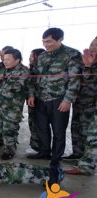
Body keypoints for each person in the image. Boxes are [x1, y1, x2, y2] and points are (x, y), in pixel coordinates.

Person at [27, 28, 83, 167]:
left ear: (60, 39)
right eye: (44, 42)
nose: (46, 45)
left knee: (58, 130)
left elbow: (75, 79)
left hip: (59, 100)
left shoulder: (72, 54)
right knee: (42, 128)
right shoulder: (43, 56)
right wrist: (32, 94)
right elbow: (34, 77)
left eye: (49, 41)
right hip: (41, 98)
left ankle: (56, 157)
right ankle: (44, 151)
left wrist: (67, 99)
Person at [0, 49, 29, 160]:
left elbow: (18, 86)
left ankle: (9, 151)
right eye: (4, 59)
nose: (5, 61)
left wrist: (2, 80)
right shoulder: (5, 70)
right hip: (0, 105)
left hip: (12, 107)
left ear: (17, 59)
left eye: (8, 59)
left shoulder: (24, 71)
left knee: (9, 130)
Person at [65, 37, 97, 176]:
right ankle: (78, 155)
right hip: (81, 101)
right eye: (92, 44)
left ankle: (86, 166)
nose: (93, 46)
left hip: (92, 104)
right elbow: (83, 80)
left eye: (96, 45)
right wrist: (89, 66)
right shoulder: (87, 61)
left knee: (92, 135)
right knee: (77, 129)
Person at [27, 48, 45, 152]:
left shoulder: (38, 69)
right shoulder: (33, 68)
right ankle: (35, 145)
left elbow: (32, 84)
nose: (30, 58)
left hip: (37, 99)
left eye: (32, 56)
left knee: (36, 123)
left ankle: (38, 147)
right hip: (32, 99)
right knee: (33, 122)